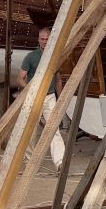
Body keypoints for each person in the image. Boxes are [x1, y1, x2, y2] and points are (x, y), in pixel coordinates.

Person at [18, 26, 67, 171]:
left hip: (50, 96)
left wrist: (61, 99)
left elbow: (58, 80)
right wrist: (29, 91)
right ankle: (29, 162)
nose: (45, 41)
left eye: (47, 39)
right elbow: (20, 78)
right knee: (31, 131)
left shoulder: (55, 56)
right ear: (38, 39)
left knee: (53, 129)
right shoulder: (31, 57)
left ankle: (60, 163)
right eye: (42, 39)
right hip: (34, 97)